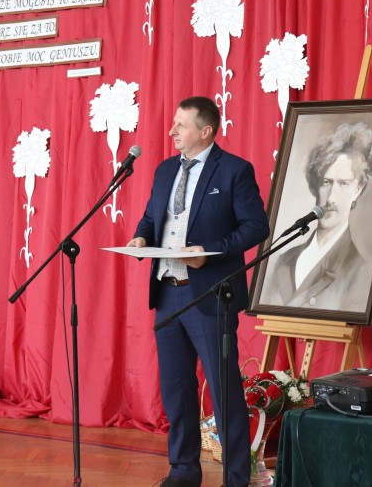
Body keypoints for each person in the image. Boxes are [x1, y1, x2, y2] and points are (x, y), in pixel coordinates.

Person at [127, 96, 270, 487]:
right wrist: (141, 237)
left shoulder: (234, 170)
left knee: (224, 390)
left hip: (209, 295)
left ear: (206, 131)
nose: (172, 131)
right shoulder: (164, 170)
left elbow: (256, 226)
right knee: (176, 388)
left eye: (181, 125)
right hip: (167, 293)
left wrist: (210, 252)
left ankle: (236, 477)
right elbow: (151, 217)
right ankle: (183, 470)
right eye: (174, 123)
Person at [263, 121, 372, 312]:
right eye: (326, 182)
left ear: (358, 189)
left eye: (343, 184)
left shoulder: (359, 270)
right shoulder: (285, 260)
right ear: (316, 185)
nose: (331, 197)